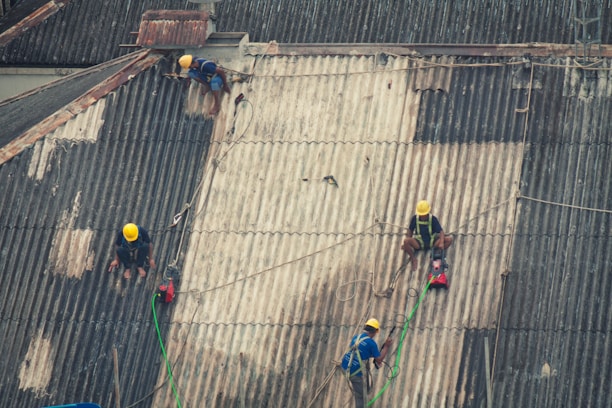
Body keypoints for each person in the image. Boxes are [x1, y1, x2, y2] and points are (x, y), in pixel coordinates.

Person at [341, 318, 392, 408]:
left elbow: (362, 351)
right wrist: (387, 346)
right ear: (376, 331)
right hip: (355, 373)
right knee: (361, 398)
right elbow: (379, 359)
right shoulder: (371, 343)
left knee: (363, 390)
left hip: (345, 367)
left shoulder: (356, 337)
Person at [401, 200, 452, 270]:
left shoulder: (433, 219)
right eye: (421, 214)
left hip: (432, 242)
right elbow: (410, 230)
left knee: (449, 240)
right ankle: (413, 259)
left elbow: (441, 231)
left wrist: (441, 243)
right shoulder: (414, 219)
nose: (423, 216)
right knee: (406, 241)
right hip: (419, 242)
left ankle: (436, 255)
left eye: (424, 214)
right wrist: (408, 244)